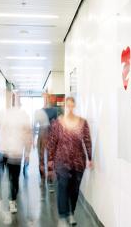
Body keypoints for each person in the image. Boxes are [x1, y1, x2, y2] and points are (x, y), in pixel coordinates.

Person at [48, 97, 93, 227]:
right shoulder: (58, 123)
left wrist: (89, 158)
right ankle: (62, 216)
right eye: (68, 106)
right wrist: (50, 159)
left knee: (74, 190)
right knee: (62, 186)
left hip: (78, 162)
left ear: (75, 106)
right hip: (61, 161)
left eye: (72, 105)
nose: (70, 108)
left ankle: (71, 213)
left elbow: (87, 140)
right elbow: (52, 142)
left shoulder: (82, 123)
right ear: (65, 107)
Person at [0, 101, 32, 218]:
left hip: (16, 153)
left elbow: (28, 134)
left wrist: (27, 153)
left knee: (14, 179)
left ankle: (12, 201)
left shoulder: (24, 117)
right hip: (2, 151)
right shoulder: (5, 115)